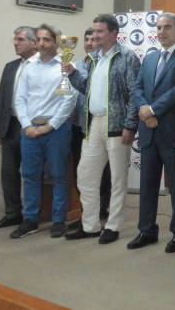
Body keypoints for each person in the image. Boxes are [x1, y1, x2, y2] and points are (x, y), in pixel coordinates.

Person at [62, 14, 140, 244]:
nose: (94, 35)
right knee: (85, 175)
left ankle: (113, 226)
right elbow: (87, 89)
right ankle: (90, 225)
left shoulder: (127, 57)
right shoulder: (93, 58)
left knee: (117, 179)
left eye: (100, 31)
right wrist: (72, 73)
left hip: (116, 125)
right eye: (93, 31)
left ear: (114, 33)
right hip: (93, 123)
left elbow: (135, 93)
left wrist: (130, 125)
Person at [129, 13, 175, 253]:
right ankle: (147, 230)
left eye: (167, 27)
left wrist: (153, 109)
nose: (161, 31)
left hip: (173, 131)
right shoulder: (150, 58)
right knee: (147, 184)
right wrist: (145, 111)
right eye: (158, 27)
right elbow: (137, 88)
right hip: (148, 130)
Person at [10, 24, 77, 239]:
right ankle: (30, 219)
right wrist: (26, 125)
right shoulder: (28, 66)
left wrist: (50, 126)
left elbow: (69, 99)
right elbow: (20, 98)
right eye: (38, 39)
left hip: (56, 129)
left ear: (56, 42)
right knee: (30, 175)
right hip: (30, 129)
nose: (41, 43)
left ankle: (58, 220)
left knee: (58, 176)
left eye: (46, 39)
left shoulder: (65, 65)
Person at [0, 26, 37, 229]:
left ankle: (32, 215)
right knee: (8, 172)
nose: (15, 43)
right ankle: (12, 213)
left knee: (31, 173)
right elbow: (2, 99)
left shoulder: (43, 65)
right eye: (15, 39)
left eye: (20, 39)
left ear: (34, 42)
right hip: (10, 126)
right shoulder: (10, 67)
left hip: (33, 126)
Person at [68, 28, 112, 229]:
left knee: (102, 172)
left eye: (94, 39)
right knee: (81, 171)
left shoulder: (103, 63)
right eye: (87, 39)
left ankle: (102, 211)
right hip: (77, 125)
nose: (90, 43)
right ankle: (86, 212)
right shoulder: (75, 65)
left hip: (98, 123)